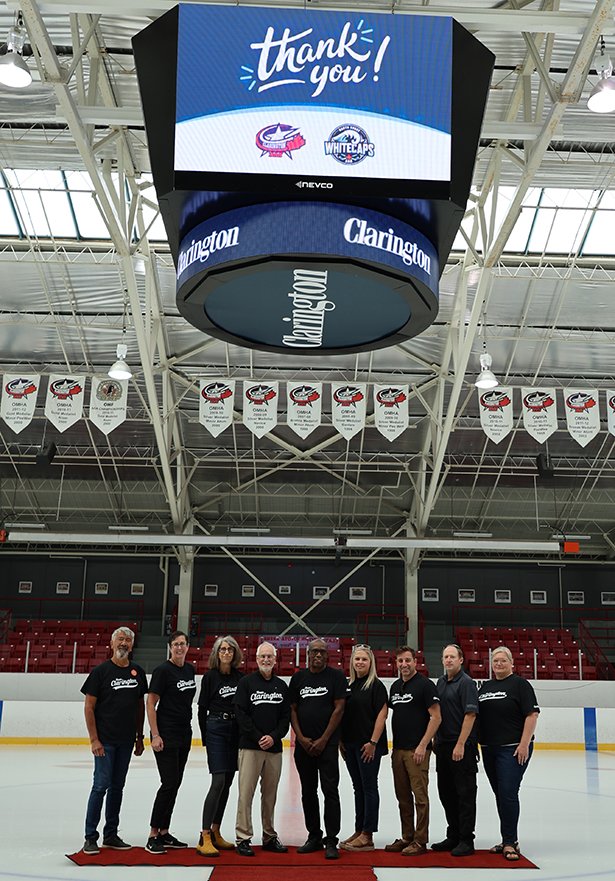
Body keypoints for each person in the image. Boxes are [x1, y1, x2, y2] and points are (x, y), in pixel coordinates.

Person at [81, 626, 148, 854]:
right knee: (100, 786)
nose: (124, 643)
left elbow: (140, 707)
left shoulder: (137, 672)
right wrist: (94, 740)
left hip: (126, 742)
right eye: (120, 639)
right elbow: (89, 708)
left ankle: (111, 834)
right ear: (111, 643)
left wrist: (139, 737)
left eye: (128, 640)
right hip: (105, 742)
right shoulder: (100, 672)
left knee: (117, 788)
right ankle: (91, 836)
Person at [478, 646, 540, 862]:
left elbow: (531, 715)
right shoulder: (485, 687)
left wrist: (524, 744)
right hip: (489, 749)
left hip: (512, 748)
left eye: (503, 660)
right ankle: (506, 838)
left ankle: (511, 842)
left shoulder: (520, 685)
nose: (499, 664)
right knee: (500, 795)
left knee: (508, 792)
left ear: (512, 663)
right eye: (495, 660)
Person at [289, 638, 347, 860]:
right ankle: (314, 836)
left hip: (328, 745)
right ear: (308, 654)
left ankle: (331, 840)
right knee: (308, 792)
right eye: (315, 652)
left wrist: (323, 739)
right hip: (304, 746)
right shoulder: (298, 678)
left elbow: (339, 709)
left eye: (322, 652)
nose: (319, 655)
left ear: (327, 655)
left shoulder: (336, 677)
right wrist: (301, 739)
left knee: (330, 792)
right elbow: (292, 710)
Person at [233, 641, 290, 856]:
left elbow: (286, 719)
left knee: (270, 796)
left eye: (270, 656)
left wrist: (273, 737)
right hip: (250, 747)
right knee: (245, 794)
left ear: (275, 660)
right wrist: (258, 737)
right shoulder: (246, 683)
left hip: (274, 750)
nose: (266, 660)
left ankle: (269, 836)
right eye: (262, 656)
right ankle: (243, 837)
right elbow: (241, 714)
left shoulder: (282, 686)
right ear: (256, 659)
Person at [386, 645, 442, 857]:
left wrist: (423, 744)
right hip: (398, 750)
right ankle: (407, 836)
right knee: (402, 797)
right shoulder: (395, 687)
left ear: (415, 662)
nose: (404, 665)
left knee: (420, 798)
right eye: (400, 661)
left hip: (417, 751)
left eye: (407, 660)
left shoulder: (425, 686)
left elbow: (436, 717)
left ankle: (420, 840)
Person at [145, 630, 196, 853]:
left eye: (182, 644)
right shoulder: (162, 671)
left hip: (184, 735)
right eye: (175, 644)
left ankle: (165, 832)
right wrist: (155, 734)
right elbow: (150, 703)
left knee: (175, 784)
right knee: (168, 784)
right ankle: (153, 834)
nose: (179, 647)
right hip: (165, 736)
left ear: (187, 646)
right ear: (170, 646)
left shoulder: (189, 669)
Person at [196, 634, 244, 857]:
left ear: (235, 654)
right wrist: (206, 737)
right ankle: (204, 834)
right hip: (215, 727)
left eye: (230, 649)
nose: (226, 652)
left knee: (228, 783)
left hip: (234, 731)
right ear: (217, 653)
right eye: (222, 649)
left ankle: (216, 831)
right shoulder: (210, 677)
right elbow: (201, 709)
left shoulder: (240, 678)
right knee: (218, 781)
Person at [432, 643, 479, 857]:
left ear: (461, 660)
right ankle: (453, 835)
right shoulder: (440, 683)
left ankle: (466, 839)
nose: (448, 660)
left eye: (452, 657)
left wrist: (460, 743)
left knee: (465, 794)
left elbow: (470, 716)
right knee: (446, 794)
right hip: (442, 747)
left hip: (461, 746)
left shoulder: (467, 683)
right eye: (445, 657)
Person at [339, 644, 388, 851]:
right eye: (356, 659)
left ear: (371, 663)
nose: (360, 662)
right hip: (349, 745)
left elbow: (382, 715)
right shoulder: (348, 685)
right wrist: (341, 741)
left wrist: (373, 742)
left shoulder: (376, 686)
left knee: (369, 787)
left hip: (368, 746)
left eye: (364, 659)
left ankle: (368, 834)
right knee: (357, 787)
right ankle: (359, 830)